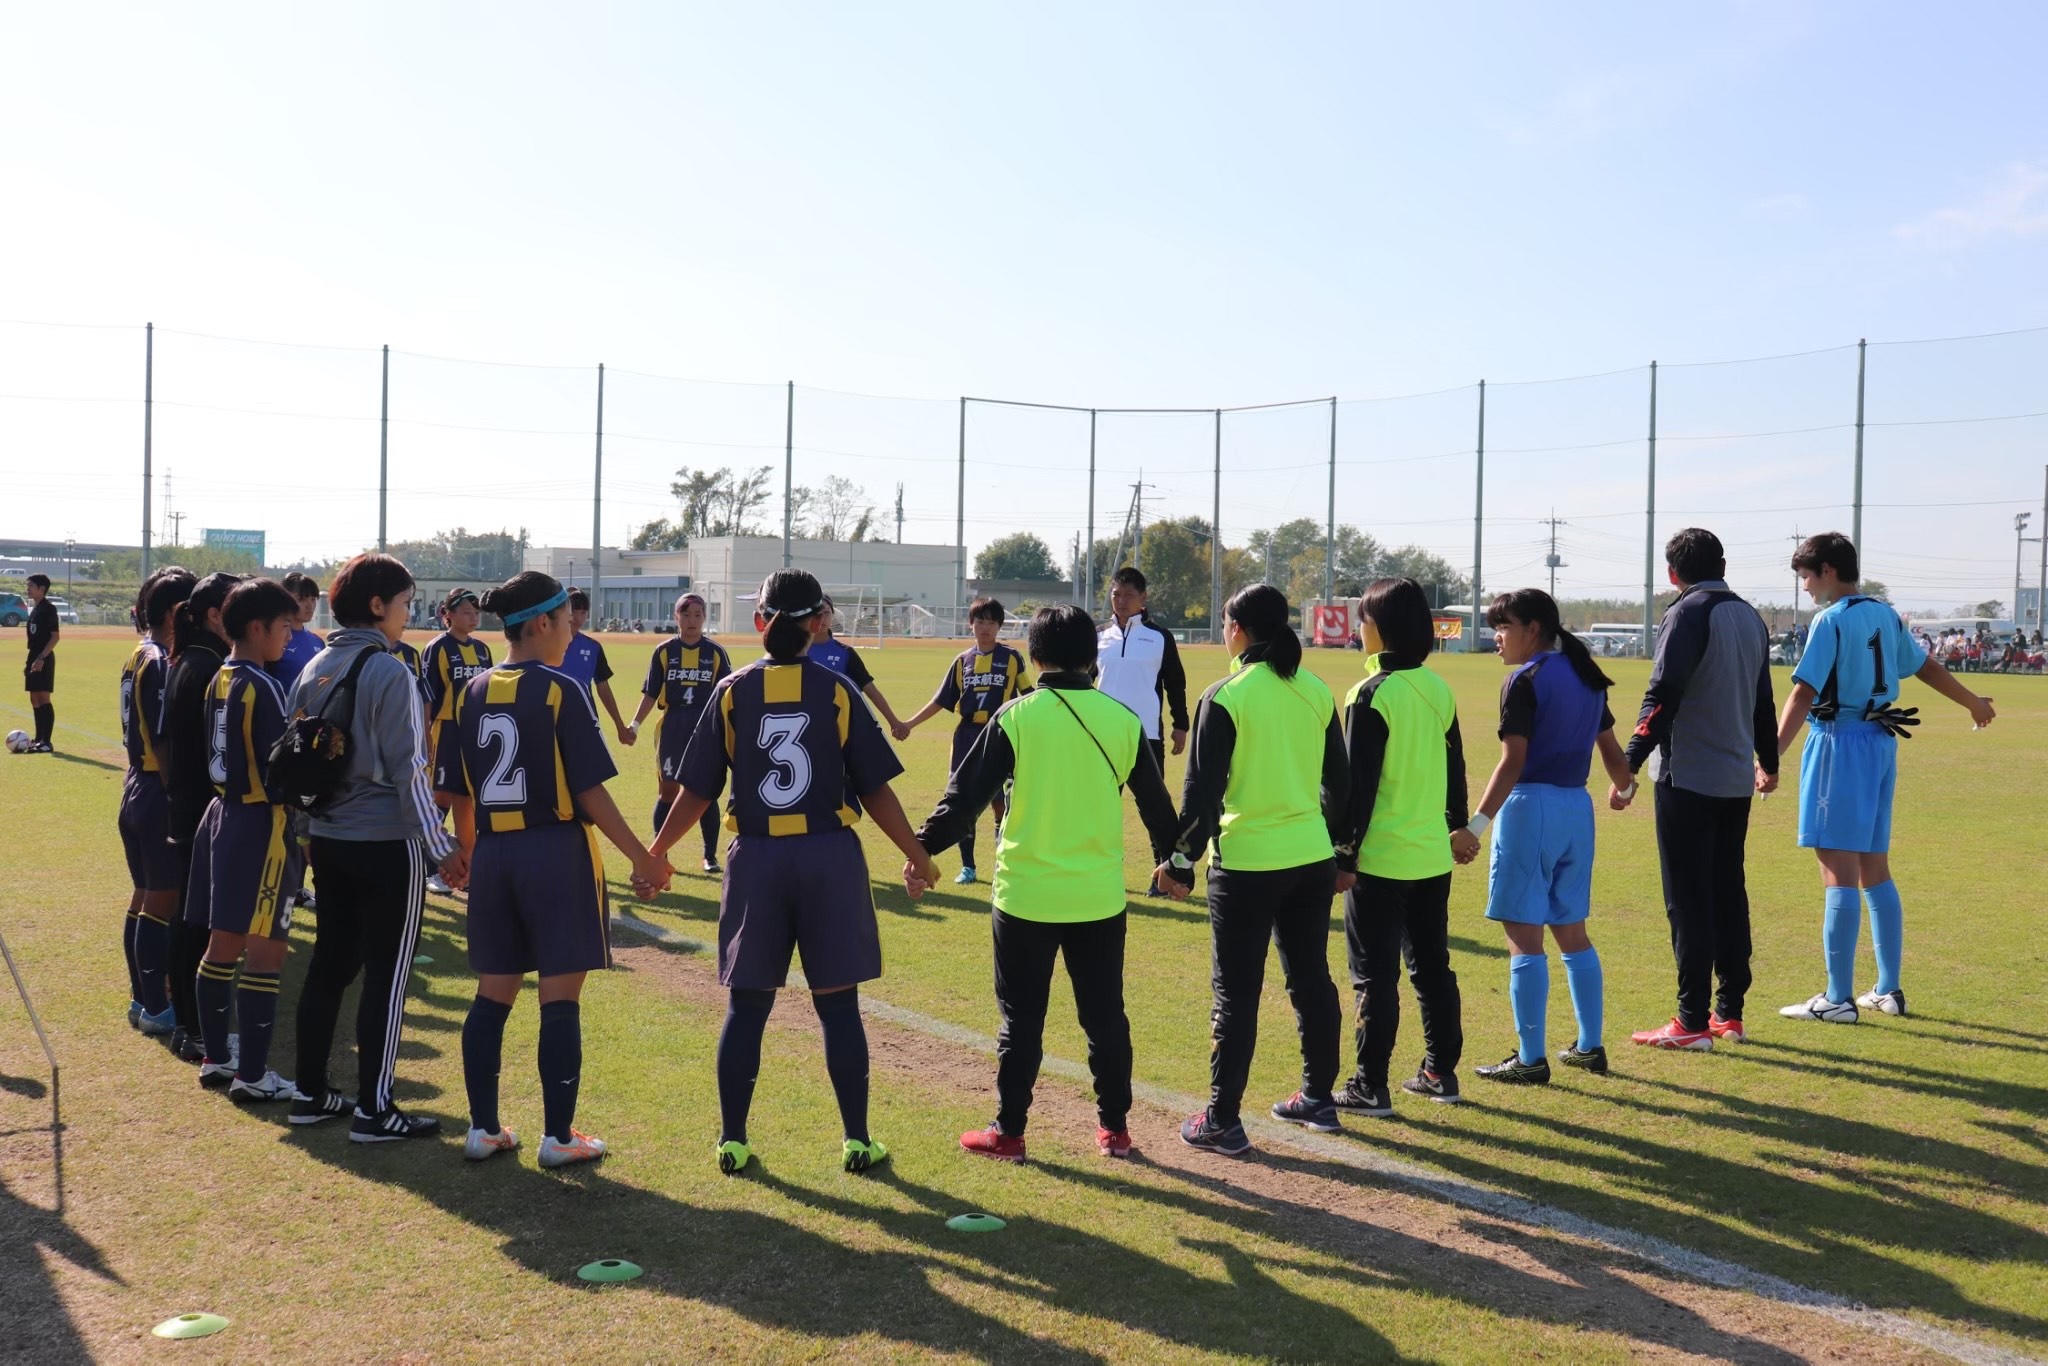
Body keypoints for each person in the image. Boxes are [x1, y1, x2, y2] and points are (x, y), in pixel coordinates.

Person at [649, 569, 930, 1177]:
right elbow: (876, 788)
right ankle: (857, 1139)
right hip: (828, 857)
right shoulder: (835, 690)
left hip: (757, 860)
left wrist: (657, 852)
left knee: (746, 1008)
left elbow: (696, 791)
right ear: (818, 623)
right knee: (838, 1007)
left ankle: (732, 1139)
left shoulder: (732, 690)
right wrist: (917, 852)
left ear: (759, 621)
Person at [911, 604, 1180, 1162]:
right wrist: (1175, 864)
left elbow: (963, 801)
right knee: (1106, 1017)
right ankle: (1115, 1130)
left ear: (1033, 657)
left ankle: (1008, 1134)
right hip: (1099, 898)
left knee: (1021, 1022)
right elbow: (1158, 808)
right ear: (1092, 657)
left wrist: (920, 852)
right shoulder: (1122, 720)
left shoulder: (1015, 717)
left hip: (1025, 897)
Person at [437, 572, 669, 1169]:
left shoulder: (474, 690)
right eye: (567, 620)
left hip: (494, 853)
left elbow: (460, 788)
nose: (572, 630)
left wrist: (463, 848)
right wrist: (642, 857)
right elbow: (590, 791)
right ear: (542, 623)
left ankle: (483, 1130)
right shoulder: (561, 689)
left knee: (493, 995)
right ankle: (559, 1138)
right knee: (559, 997)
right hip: (556, 853)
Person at [1775, 533, 1995, 1023]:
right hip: (1879, 745)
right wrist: (1973, 702)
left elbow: (1803, 693)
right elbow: (1924, 667)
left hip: (1838, 744)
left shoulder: (1829, 620)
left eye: (1807, 577)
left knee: (1837, 868)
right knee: (1875, 866)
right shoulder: (1885, 612)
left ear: (1829, 571)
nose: (1806, 588)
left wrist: (1769, 757)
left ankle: (1837, 998)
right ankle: (1888, 990)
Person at [287, 553, 469, 1141]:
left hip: (331, 841)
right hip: (387, 844)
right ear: (376, 605)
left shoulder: (313, 665)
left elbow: (294, 765)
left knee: (329, 967)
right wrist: (442, 846)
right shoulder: (391, 672)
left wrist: (307, 833)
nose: (408, 612)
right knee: (388, 978)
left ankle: (309, 1094)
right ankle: (374, 1109)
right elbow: (410, 772)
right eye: (405, 601)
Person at [1163, 583, 1348, 1155]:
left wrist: (1179, 862)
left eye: (1224, 623)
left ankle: (1221, 1119)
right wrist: (1343, 854)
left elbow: (1201, 796)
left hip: (1246, 864)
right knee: (1310, 977)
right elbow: (1339, 784)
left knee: (1236, 993)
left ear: (1238, 629)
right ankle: (1318, 1097)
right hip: (1310, 860)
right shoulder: (1315, 688)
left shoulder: (1226, 694)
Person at [1465, 589, 1635, 1086]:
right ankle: (1589, 1045)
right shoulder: (1585, 676)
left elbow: (1512, 761)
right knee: (1573, 931)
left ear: (1533, 629)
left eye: (1504, 627)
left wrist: (1475, 827)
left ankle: (1530, 1057)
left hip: (1530, 808)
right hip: (1575, 809)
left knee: (1523, 937)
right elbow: (1609, 749)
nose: (1497, 638)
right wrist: (1624, 787)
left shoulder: (1524, 679)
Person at [1620, 530, 1778, 1051]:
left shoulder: (1686, 613)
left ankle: (1690, 1021)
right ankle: (1728, 1012)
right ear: (1724, 564)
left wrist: (1629, 762)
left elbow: (1662, 691)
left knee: (1688, 899)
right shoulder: (1751, 616)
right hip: (1733, 780)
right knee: (1728, 892)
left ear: (1672, 573)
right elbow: (1763, 700)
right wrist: (1769, 761)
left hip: (1687, 778)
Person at [1331, 577, 1469, 1114]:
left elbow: (1355, 789)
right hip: (1431, 857)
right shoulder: (1438, 689)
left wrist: (1343, 855)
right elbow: (1455, 766)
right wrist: (1457, 823)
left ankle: (1370, 1084)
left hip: (1380, 859)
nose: (1359, 630)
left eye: (1362, 621)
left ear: (1379, 630)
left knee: (1375, 974)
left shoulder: (1370, 694)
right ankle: (1440, 1072)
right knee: (1432, 966)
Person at [187, 578, 305, 1101]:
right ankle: (253, 1076)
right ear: (257, 628)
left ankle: (217, 1057)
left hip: (222, 816)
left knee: (222, 943)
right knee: (267, 950)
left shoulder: (219, 676)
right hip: (262, 824)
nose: (289, 636)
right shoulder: (262, 684)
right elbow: (284, 770)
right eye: (284, 627)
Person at [159, 572, 246, 1063]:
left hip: (187, 807)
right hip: (203, 812)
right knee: (197, 924)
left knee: (189, 920)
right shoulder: (211, 666)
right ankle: (194, 1030)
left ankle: (188, 1027)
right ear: (216, 615)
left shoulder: (188, 661)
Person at [900, 597, 1032, 885]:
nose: (985, 627)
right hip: (968, 736)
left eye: (991, 622)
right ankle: (968, 867)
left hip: (1001, 734)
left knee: (1000, 803)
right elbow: (940, 701)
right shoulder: (962, 661)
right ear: (970, 624)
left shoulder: (1011, 658)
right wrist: (909, 723)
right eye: (980, 621)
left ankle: (1001, 864)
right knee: (964, 804)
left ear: (1000, 626)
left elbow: (1029, 695)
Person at [119, 567, 195, 1035]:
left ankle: (140, 997)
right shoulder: (160, 661)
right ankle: (155, 1006)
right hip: (156, 787)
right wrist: (177, 794)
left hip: (136, 784)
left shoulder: (136, 654)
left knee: (146, 895)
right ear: (173, 612)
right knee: (160, 901)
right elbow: (164, 739)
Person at [1096, 567, 1190, 894]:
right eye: (1116, 594)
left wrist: (1181, 725)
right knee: (1099, 807)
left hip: (1146, 734)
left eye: (1129, 595)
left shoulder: (1159, 637)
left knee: (1155, 809)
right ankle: (1099, 873)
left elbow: (1175, 683)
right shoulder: (1097, 636)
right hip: (1101, 736)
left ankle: (1162, 877)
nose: (1121, 602)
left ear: (1143, 598)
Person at [630, 593, 733, 873]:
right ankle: (660, 854)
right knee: (668, 791)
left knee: (705, 792)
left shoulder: (715, 653)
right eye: (686, 615)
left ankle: (709, 856)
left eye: (698, 615)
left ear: (704, 618)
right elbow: (651, 693)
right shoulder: (664, 651)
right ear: (676, 617)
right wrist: (635, 725)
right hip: (673, 726)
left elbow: (728, 694)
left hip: (705, 728)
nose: (692, 621)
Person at [421, 588, 494, 893]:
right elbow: (427, 697)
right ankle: (432, 866)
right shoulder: (437, 648)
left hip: (474, 730)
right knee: (439, 798)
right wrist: (426, 736)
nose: (473, 617)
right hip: (447, 730)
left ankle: (467, 864)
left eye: (476, 612)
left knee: (467, 799)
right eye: (466, 611)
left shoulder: (482, 650)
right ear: (447, 614)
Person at [809, 594, 912, 740]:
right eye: (816, 613)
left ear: (833, 615)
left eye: (826, 612)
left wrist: (893, 722)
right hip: (805, 724)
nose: (822, 617)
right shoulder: (795, 652)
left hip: (838, 728)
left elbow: (870, 689)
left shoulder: (845, 653)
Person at [558, 589, 632, 743]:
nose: (578, 618)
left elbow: (603, 687)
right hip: (552, 718)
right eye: (574, 612)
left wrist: (619, 726)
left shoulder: (593, 648)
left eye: (583, 613)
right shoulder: (546, 645)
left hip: (584, 718)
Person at [267, 572, 326, 689]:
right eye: (301, 599)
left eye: (313, 599)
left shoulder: (318, 641)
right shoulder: (273, 639)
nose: (310, 605)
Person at [20, 572, 58, 753]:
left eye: (31, 586)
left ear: (42, 589)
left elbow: (55, 637)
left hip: (43, 657)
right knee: (34, 698)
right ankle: (38, 738)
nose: (27, 589)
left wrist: (42, 658)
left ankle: (46, 742)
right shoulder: (35, 608)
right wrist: (30, 662)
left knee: (43, 698)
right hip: (33, 656)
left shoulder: (49, 609)